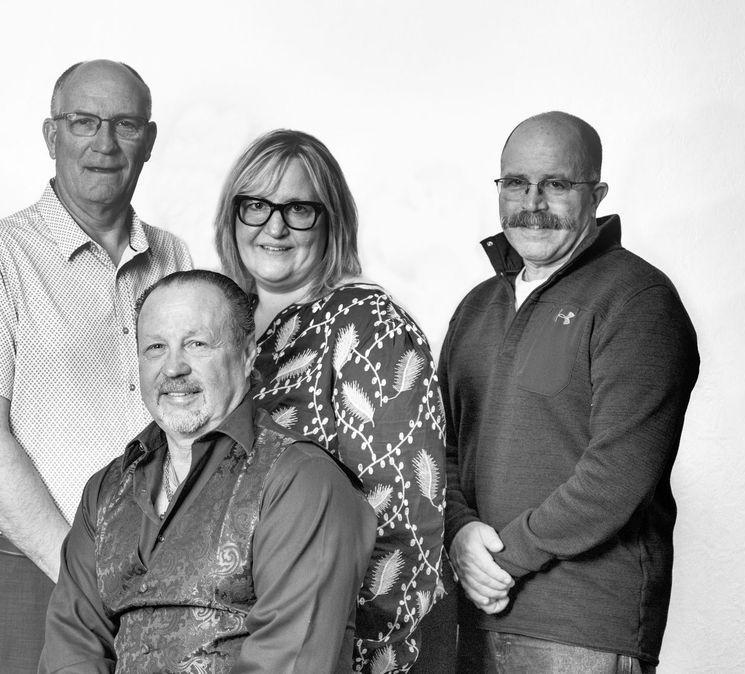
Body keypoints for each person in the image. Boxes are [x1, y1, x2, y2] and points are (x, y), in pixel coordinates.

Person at [0, 59, 191, 672]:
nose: (103, 143)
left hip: (161, 572)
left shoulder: (173, 256)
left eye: (125, 125)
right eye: (83, 122)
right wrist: (82, 573)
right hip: (28, 568)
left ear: (148, 143)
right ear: (51, 136)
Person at [440, 111, 700, 673]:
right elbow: (445, 448)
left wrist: (503, 560)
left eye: (557, 184)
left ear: (597, 194)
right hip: (472, 617)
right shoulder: (476, 307)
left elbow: (618, 475)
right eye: (515, 183)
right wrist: (460, 533)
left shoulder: (637, 300)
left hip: (581, 631)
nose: (533, 201)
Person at [39, 270, 377, 673]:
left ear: (248, 353)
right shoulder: (105, 491)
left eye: (197, 344)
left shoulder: (302, 481)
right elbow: (72, 648)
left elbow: (290, 662)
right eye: (156, 347)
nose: (173, 368)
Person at [213, 129, 448, 672]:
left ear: (332, 219)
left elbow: (407, 522)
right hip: (251, 641)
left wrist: (357, 656)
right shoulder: (232, 322)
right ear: (233, 216)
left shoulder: (368, 324)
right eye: (256, 206)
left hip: (330, 650)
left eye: (298, 209)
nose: (274, 226)